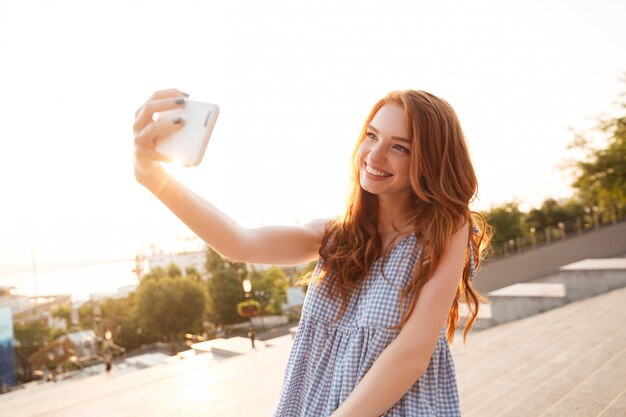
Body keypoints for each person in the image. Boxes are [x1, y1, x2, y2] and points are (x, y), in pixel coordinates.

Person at [133, 88, 490, 416]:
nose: (375, 155)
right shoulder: (334, 236)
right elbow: (238, 243)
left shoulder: (447, 231)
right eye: (372, 135)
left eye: (400, 147)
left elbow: (413, 352)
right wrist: (152, 177)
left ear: (431, 161)